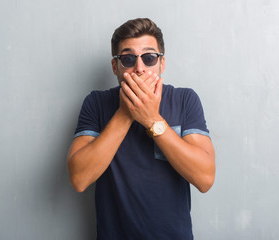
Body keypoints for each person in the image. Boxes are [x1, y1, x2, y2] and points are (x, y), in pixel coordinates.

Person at [67, 18, 215, 240]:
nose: (139, 68)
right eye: (128, 58)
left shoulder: (185, 100)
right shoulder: (96, 103)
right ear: (115, 66)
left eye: (149, 57)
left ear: (161, 63)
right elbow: (79, 179)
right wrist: (126, 113)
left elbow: (205, 179)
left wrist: (152, 119)